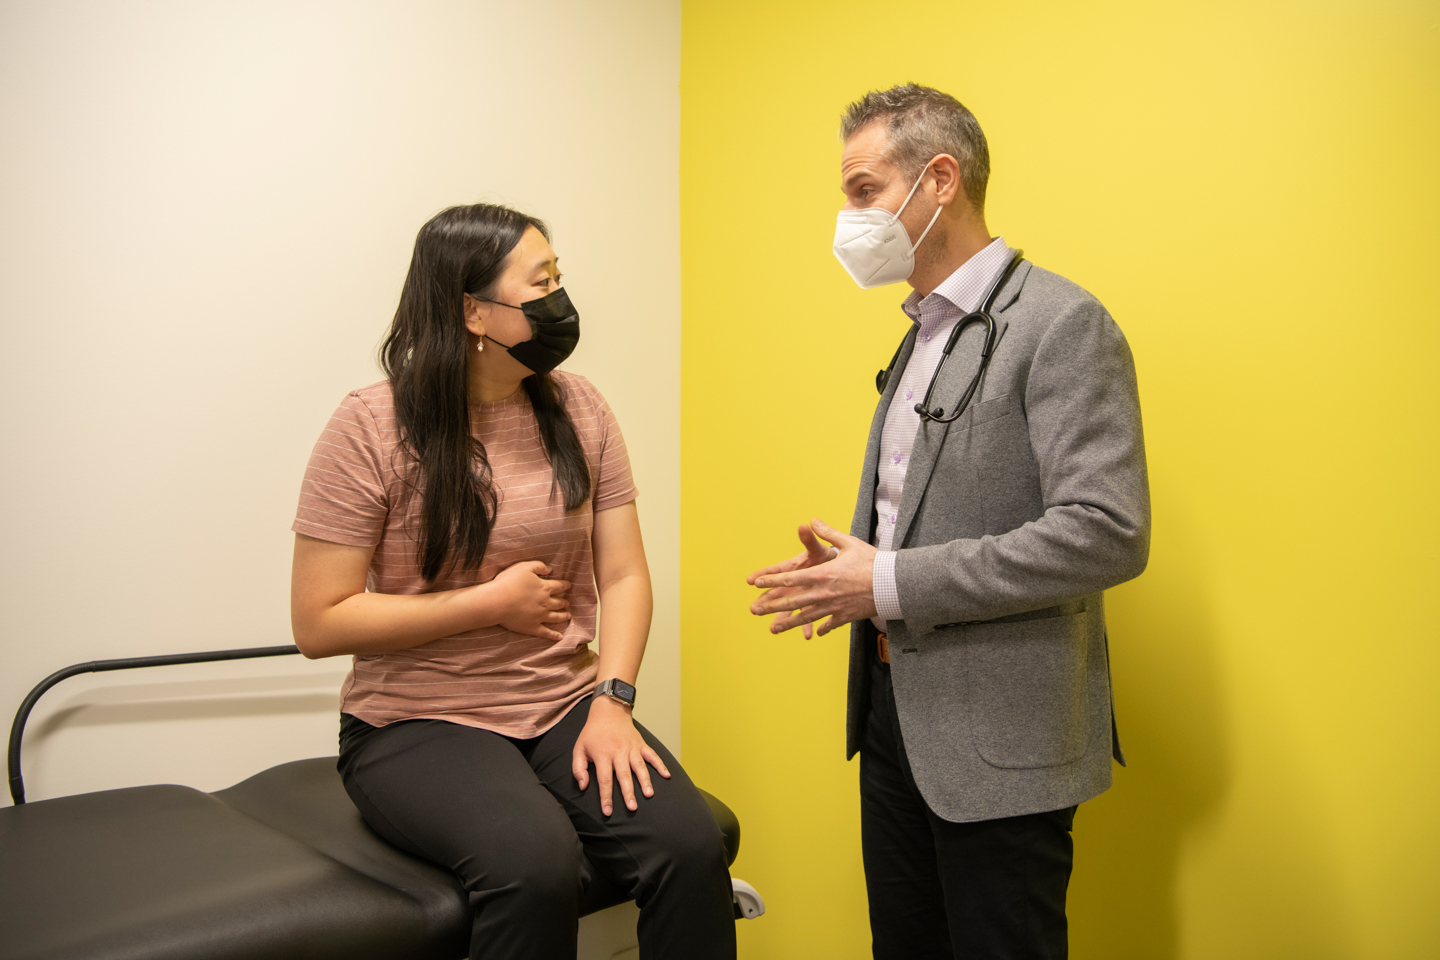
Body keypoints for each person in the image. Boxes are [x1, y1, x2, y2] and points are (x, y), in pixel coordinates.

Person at [747, 84, 1150, 959]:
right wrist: (860, 566)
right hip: (894, 715)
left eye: (861, 190)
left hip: (1002, 740)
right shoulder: (921, 333)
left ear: (939, 181)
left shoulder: (1060, 324)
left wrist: (887, 579)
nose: (847, 217)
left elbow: (1106, 530)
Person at [290, 203, 736, 960]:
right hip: (414, 723)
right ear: (473, 311)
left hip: (562, 703)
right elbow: (319, 622)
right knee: (533, 865)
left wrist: (613, 702)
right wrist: (485, 606)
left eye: (559, 278)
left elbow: (624, 575)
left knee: (691, 846)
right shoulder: (370, 427)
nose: (561, 301)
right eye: (542, 283)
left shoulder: (580, 406)